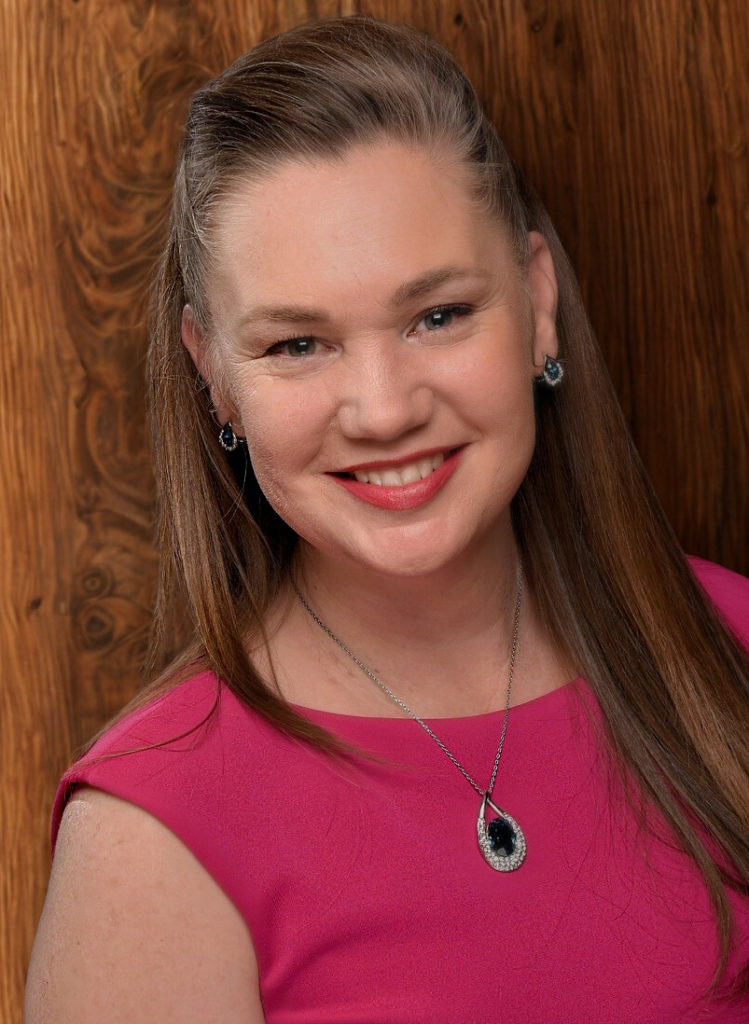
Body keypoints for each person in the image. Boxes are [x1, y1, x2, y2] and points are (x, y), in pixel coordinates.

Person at [25, 13, 749, 1023]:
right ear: (214, 376)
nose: (383, 407)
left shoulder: (733, 650)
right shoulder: (154, 831)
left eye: (437, 316)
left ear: (536, 298)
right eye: (296, 345)